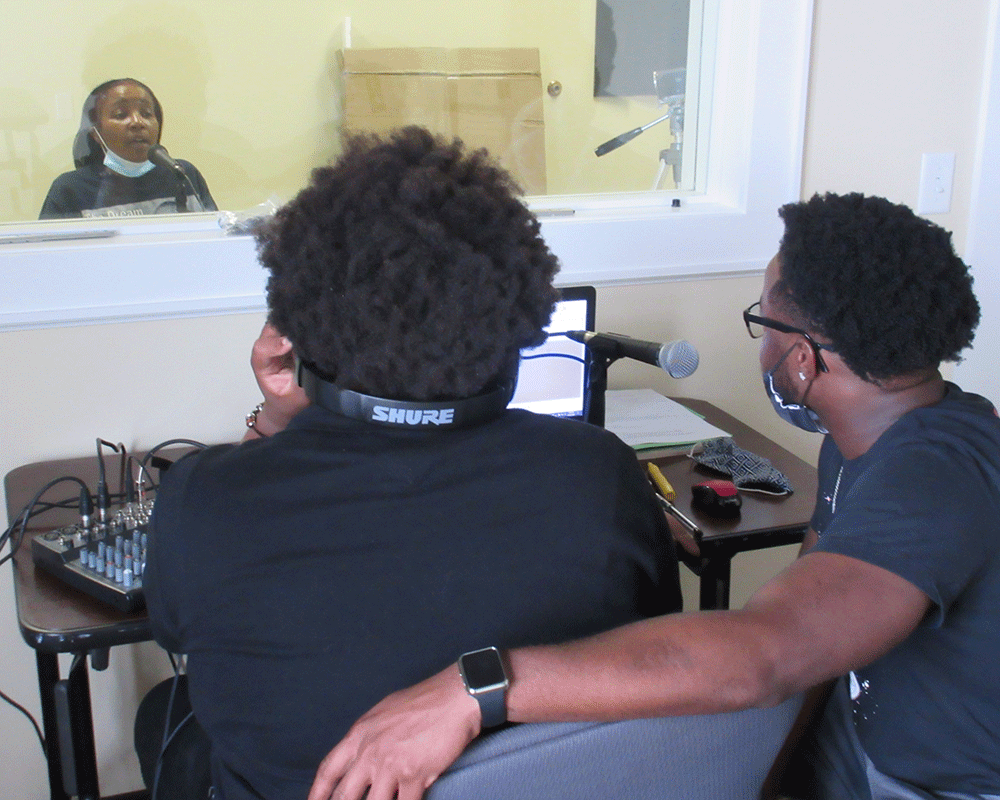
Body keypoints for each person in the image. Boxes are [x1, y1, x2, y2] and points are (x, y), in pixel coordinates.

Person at [308, 192, 1000, 800]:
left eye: (765, 322)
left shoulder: (941, 473)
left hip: (931, 783)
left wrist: (477, 689)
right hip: (857, 746)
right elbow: (811, 633)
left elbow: (767, 651)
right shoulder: (857, 442)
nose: (759, 343)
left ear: (802, 359)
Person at [139, 126, 681, 800]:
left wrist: (277, 420)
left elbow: (178, 625)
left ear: (303, 329)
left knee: (164, 716)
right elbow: (650, 649)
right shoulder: (598, 476)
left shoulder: (204, 500)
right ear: (515, 318)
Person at [39, 78, 216, 219]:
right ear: (96, 133)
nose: (137, 122)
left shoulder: (182, 175)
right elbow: (50, 257)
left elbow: (216, 239)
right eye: (120, 115)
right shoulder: (71, 189)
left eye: (146, 114)